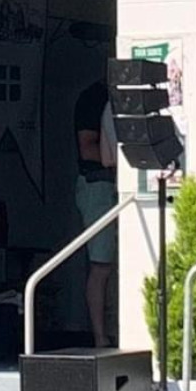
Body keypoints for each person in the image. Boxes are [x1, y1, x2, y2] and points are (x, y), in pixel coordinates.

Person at [73, 81, 118, 347]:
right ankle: (101, 338)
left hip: (118, 186)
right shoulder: (94, 96)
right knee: (101, 264)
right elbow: (86, 148)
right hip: (98, 185)